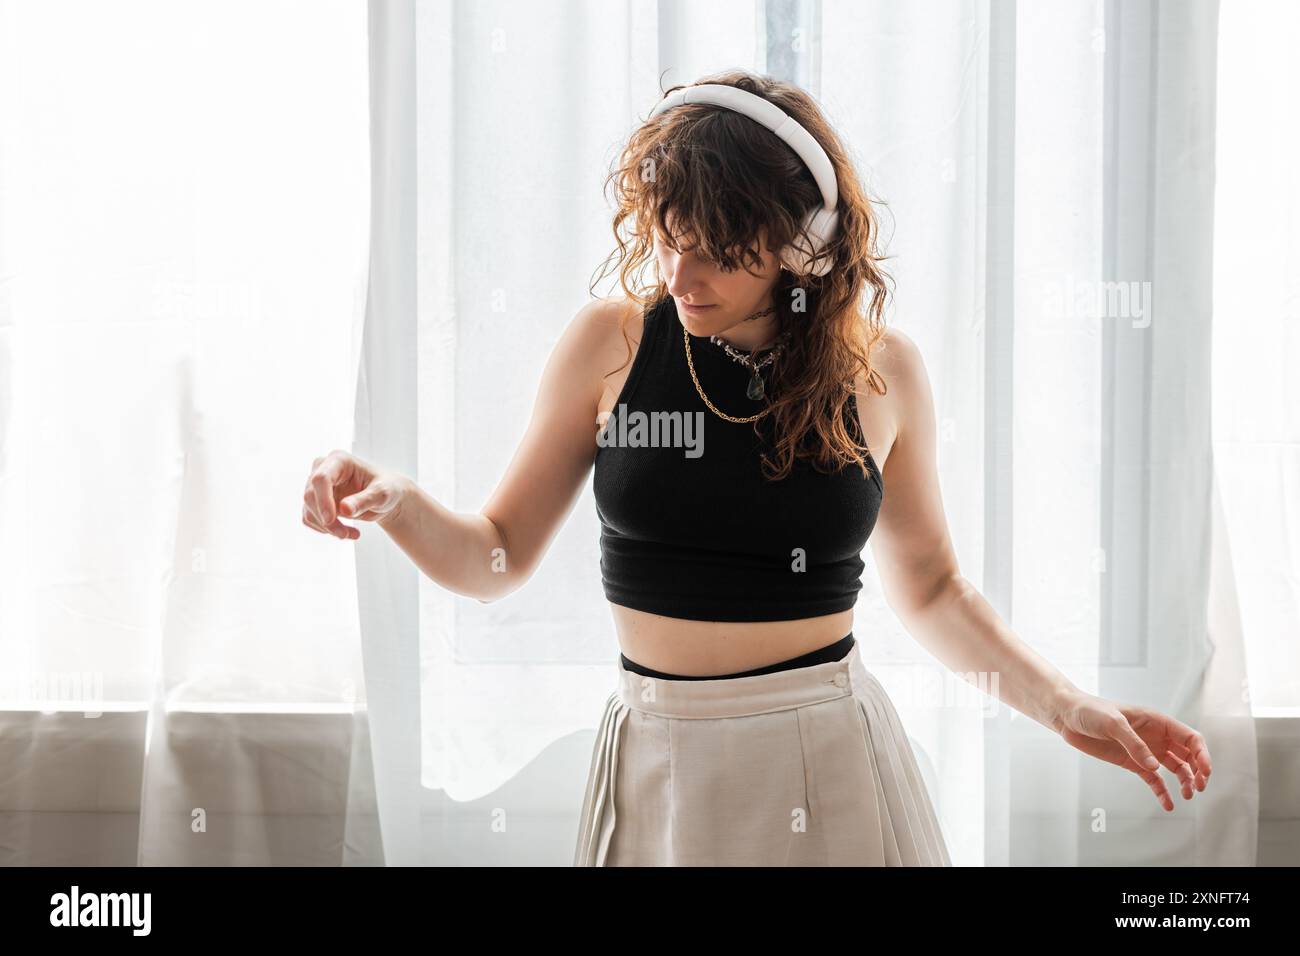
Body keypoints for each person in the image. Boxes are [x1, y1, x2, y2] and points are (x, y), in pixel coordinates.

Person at [301, 70, 1212, 866]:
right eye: (668, 236)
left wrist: (1067, 707)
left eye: (721, 250)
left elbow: (933, 591)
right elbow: (492, 556)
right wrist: (398, 503)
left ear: (801, 244)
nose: (682, 273)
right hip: (655, 758)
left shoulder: (881, 371)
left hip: (823, 758)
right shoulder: (610, 344)